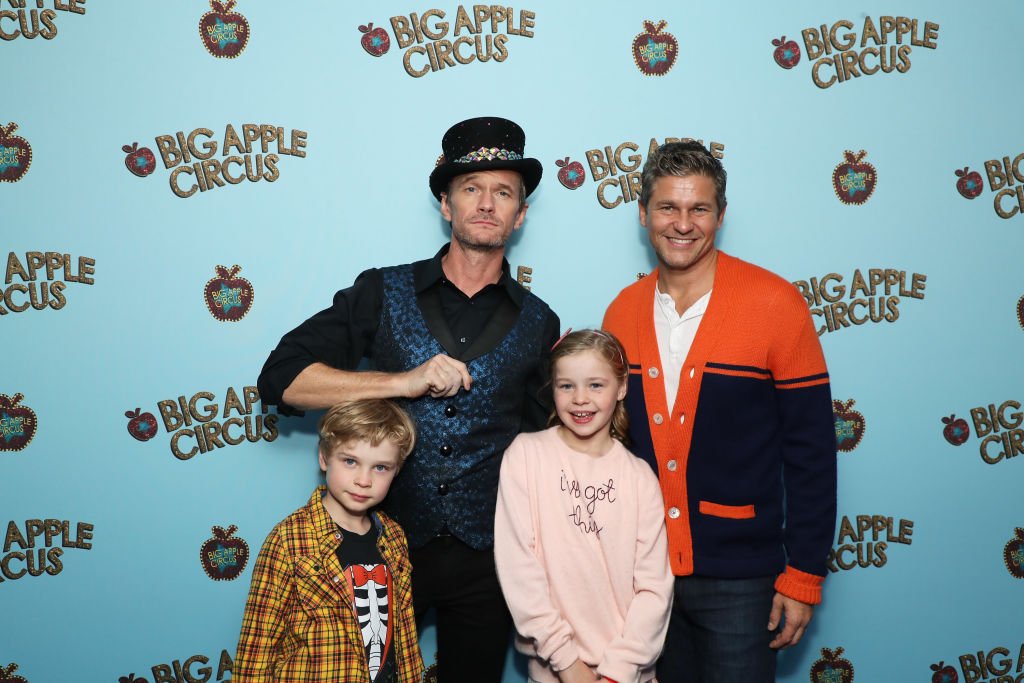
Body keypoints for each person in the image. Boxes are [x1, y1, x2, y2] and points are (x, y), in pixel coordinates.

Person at [257, 116, 560, 682]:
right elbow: (282, 378)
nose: (486, 204)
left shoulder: (541, 322)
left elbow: (546, 450)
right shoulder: (381, 290)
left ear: (520, 214)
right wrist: (400, 381)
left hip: (490, 562)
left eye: (503, 192)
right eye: (471, 189)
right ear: (445, 204)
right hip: (382, 550)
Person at [602, 141, 838, 682]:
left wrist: (802, 575)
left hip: (743, 580)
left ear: (720, 216)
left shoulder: (775, 304)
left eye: (699, 209)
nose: (682, 224)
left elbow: (812, 451)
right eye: (667, 208)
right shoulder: (621, 311)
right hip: (641, 577)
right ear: (643, 214)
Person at [494, 329, 673, 683]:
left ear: (621, 389)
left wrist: (618, 671)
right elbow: (519, 567)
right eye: (566, 386)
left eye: (595, 385)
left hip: (628, 675)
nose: (580, 399)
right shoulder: (526, 456)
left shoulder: (639, 478)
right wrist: (566, 661)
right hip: (555, 671)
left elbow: (654, 589)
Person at [233, 399, 423, 683]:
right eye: (350, 461)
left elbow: (404, 633)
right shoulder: (289, 540)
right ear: (324, 458)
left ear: (397, 470)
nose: (363, 480)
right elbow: (255, 652)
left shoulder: (394, 536)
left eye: (381, 467)